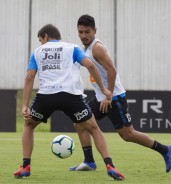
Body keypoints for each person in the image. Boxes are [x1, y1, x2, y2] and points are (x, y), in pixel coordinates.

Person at [13, 24, 125, 181]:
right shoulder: (72, 48)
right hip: (71, 96)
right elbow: (91, 65)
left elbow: (29, 78)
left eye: (41, 40)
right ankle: (110, 165)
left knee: (29, 125)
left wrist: (25, 105)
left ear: (46, 36)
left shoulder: (37, 52)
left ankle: (25, 166)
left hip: (46, 97)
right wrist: (103, 89)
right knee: (93, 128)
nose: (41, 44)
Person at [69, 14, 171, 173]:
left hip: (113, 98)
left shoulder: (97, 48)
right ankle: (89, 162)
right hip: (101, 98)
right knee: (79, 123)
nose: (83, 36)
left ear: (95, 30)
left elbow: (112, 71)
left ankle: (165, 150)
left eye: (87, 32)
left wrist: (108, 95)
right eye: (80, 32)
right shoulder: (87, 48)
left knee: (127, 134)